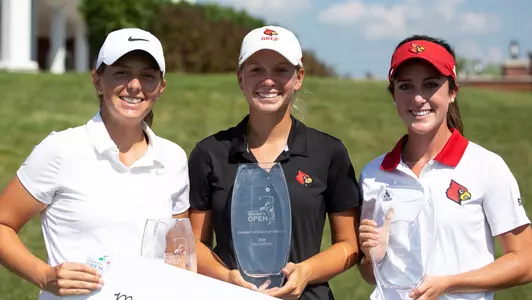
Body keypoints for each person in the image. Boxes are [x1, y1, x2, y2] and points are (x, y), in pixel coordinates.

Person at [0, 28, 190, 300]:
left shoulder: (173, 158)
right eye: (121, 72)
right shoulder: (60, 150)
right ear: (97, 80)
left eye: (147, 76)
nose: (135, 85)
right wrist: (44, 276)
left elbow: (178, 251)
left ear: (161, 87)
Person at [188, 25, 361, 300]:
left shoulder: (328, 151)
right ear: (240, 77)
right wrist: (227, 278)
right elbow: (194, 244)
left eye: (281, 70)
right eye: (256, 69)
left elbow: (349, 245)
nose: (268, 81)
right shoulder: (210, 153)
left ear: (299, 77)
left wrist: (307, 271)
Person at [357, 34, 532, 300]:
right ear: (393, 94)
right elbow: (371, 274)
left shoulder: (486, 166)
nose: (418, 98)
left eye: (430, 85)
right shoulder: (373, 174)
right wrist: (372, 258)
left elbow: (525, 260)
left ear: (452, 92)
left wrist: (450, 283)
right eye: (405, 86)